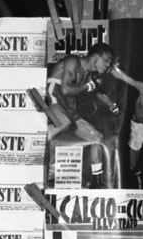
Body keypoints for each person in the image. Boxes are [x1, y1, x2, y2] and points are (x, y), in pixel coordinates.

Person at [47, 43, 119, 188]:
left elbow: (97, 93)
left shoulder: (88, 75)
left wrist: (113, 105)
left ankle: (96, 181)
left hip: (69, 109)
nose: (107, 65)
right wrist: (86, 87)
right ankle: (45, 166)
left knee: (96, 137)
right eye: (107, 60)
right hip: (54, 98)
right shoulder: (73, 61)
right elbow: (65, 90)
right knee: (64, 122)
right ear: (97, 56)